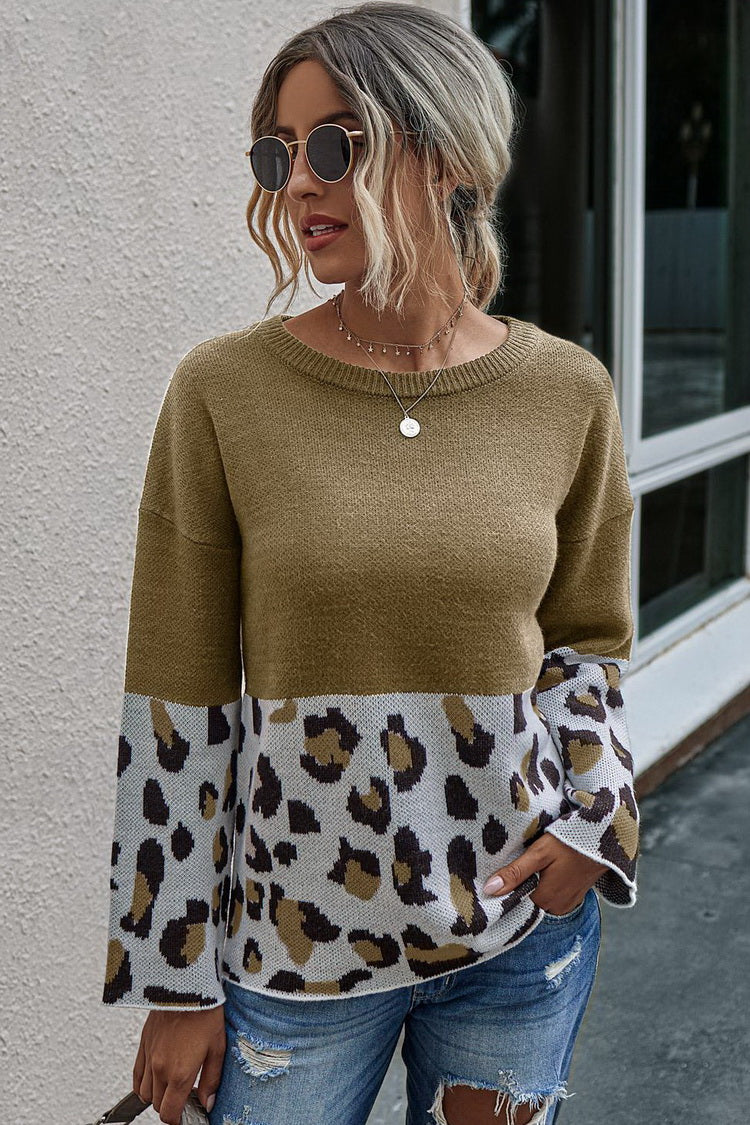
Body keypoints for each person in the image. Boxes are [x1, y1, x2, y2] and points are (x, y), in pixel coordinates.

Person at [101, 4, 640, 1124]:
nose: (299, 182)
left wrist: (596, 819)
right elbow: (177, 696)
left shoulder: (567, 392)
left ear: (446, 153)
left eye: (334, 145)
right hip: (295, 955)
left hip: (516, 933)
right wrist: (175, 977)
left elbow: (587, 637)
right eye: (278, 154)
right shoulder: (224, 391)